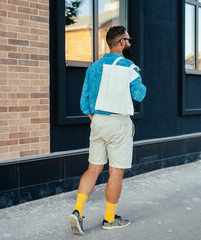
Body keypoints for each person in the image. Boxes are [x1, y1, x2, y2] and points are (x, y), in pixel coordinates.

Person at [68, 26, 147, 235]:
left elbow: (83, 101)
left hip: (98, 122)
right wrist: (138, 75)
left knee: (93, 168)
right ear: (121, 42)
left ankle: (77, 211)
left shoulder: (93, 68)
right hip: (118, 124)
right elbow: (139, 95)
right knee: (115, 173)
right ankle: (109, 219)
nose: (129, 44)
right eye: (128, 40)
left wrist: (94, 117)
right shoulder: (130, 67)